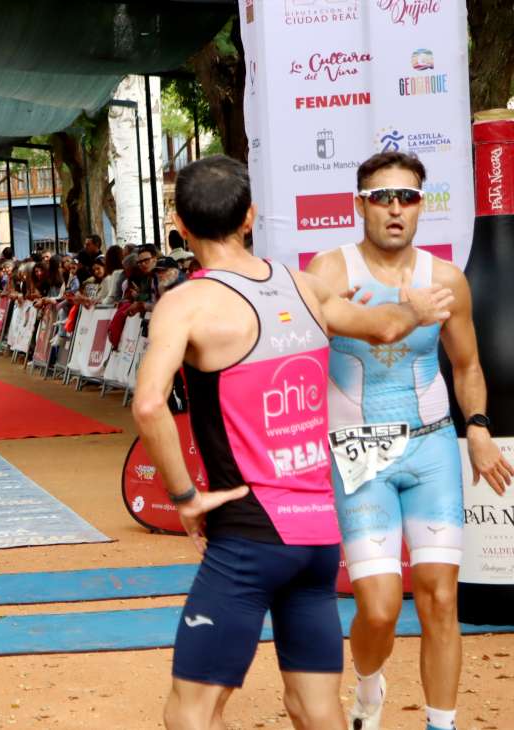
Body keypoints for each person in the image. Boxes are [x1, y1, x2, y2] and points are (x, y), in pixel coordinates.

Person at [131, 155, 453, 730]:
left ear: (179, 226)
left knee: (191, 711)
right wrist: (414, 308)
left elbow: (151, 404)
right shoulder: (302, 286)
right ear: (250, 216)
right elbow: (382, 327)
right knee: (315, 709)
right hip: (316, 539)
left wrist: (184, 499)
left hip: (248, 537)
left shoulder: (187, 303)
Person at [306, 151, 513, 730]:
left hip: (430, 450)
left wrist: (477, 427)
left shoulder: (445, 280)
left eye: (407, 197)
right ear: (359, 205)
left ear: (422, 206)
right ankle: (369, 686)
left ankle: (439, 724)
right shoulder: (331, 272)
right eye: (381, 198)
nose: (395, 209)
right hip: (359, 453)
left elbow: (467, 366)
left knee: (441, 598)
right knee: (377, 608)